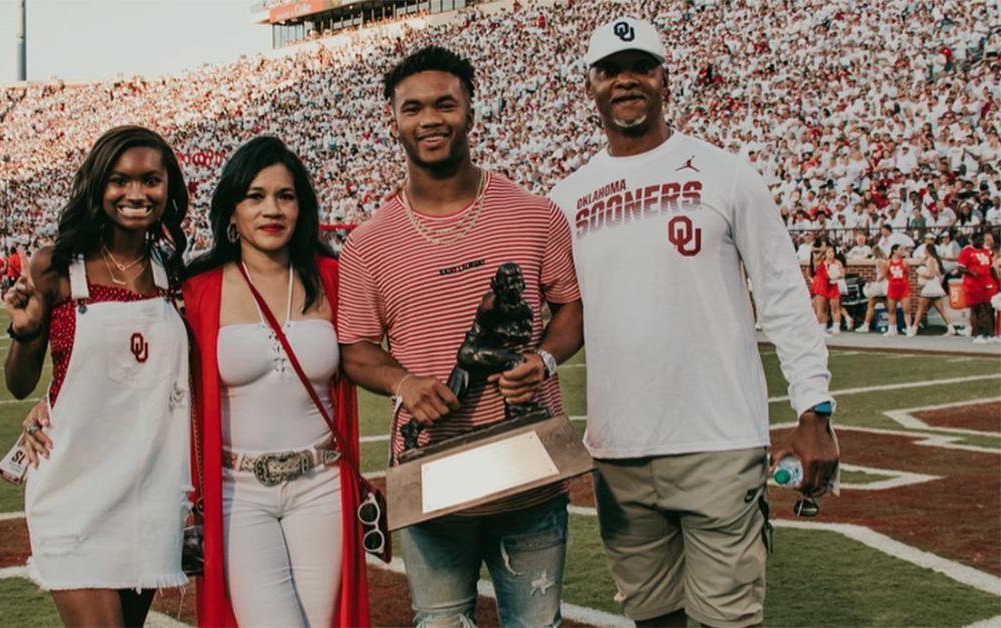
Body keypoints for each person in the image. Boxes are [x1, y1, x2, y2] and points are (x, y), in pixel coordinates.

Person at [548, 18, 838, 628]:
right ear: (591, 86)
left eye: (640, 65)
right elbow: (558, 317)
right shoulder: (566, 198)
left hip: (718, 438)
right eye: (611, 69)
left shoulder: (725, 173)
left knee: (727, 621)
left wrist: (815, 410)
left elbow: (783, 294)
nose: (626, 80)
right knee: (653, 618)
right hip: (619, 448)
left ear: (664, 78)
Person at [338, 46, 584, 627]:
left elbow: (570, 310)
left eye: (445, 104)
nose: (430, 119)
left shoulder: (533, 212)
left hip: (526, 457)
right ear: (393, 119)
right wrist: (404, 383)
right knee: (441, 623)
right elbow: (356, 349)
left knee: (535, 625)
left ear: (470, 110)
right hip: (432, 463)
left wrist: (545, 361)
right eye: (414, 108)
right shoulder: (368, 242)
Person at [5, 125, 192, 627]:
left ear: (168, 187)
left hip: (149, 489)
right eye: (119, 180)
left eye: (151, 180)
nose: (136, 194)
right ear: (96, 186)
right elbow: (20, 382)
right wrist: (24, 333)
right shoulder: (54, 266)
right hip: (74, 486)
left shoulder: (174, 270)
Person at [181, 136, 369, 627]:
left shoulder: (333, 277)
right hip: (237, 491)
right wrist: (50, 405)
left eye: (286, 196)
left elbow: (380, 345)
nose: (272, 208)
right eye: (256, 196)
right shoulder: (198, 288)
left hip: (323, 484)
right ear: (231, 210)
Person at [957, 231, 999, 343]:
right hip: (973, 284)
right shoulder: (967, 251)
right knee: (975, 309)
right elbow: (960, 268)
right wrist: (971, 273)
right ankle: (977, 335)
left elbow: (991, 268)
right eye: (979, 240)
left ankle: (992, 335)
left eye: (982, 240)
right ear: (972, 240)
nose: (981, 242)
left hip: (987, 283)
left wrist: (997, 283)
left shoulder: (986, 252)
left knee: (990, 308)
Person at [913, 243, 957, 336]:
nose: (924, 251)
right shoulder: (935, 259)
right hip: (935, 285)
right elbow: (937, 273)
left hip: (930, 286)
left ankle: (914, 329)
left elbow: (931, 275)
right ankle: (951, 328)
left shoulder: (930, 260)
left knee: (920, 308)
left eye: (925, 249)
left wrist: (920, 273)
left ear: (928, 251)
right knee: (941, 310)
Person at [856, 246, 889, 333]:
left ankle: (866, 325)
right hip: (884, 286)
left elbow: (882, 275)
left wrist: (874, 283)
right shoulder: (885, 261)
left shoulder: (879, 261)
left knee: (871, 303)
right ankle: (894, 325)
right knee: (885, 305)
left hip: (881, 285)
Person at [884, 244, 914, 337]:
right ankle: (892, 329)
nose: (902, 252)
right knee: (891, 309)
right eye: (900, 249)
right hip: (893, 287)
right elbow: (886, 274)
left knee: (906, 309)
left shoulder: (904, 263)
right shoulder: (888, 263)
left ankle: (909, 328)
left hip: (903, 287)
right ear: (894, 251)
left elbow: (907, 274)